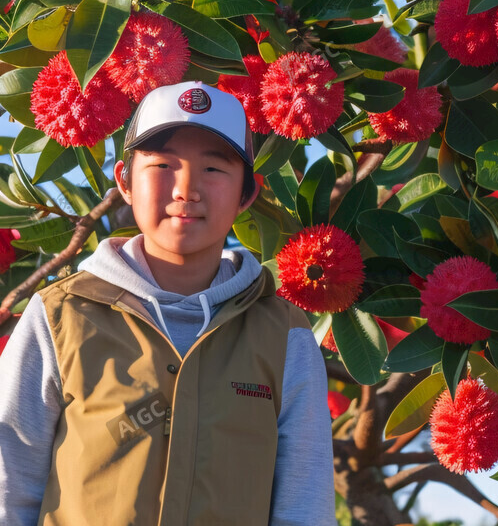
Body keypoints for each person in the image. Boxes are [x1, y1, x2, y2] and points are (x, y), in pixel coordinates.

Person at [0, 81, 335, 525]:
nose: (186, 189)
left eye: (214, 170)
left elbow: (304, 507)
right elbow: (10, 490)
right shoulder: (58, 316)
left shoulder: (285, 334)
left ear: (247, 194)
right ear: (124, 180)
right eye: (161, 165)